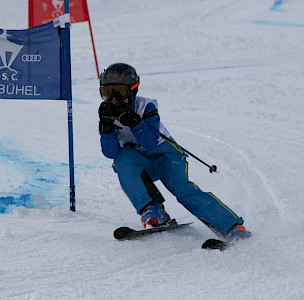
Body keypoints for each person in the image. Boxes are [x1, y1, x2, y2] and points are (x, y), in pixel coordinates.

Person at [98, 62, 251, 242]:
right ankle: (152, 211)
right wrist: (106, 129)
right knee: (122, 160)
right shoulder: (107, 111)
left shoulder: (146, 106)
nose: (114, 99)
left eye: (119, 92)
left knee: (181, 190)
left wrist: (135, 123)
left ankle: (232, 227)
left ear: (132, 90)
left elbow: (150, 142)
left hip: (166, 156)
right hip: (141, 162)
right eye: (108, 93)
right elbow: (111, 153)